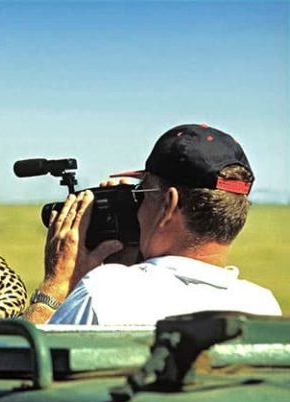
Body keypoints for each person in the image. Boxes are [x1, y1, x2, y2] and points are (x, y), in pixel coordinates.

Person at [23, 123, 282, 325]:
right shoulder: (262, 305)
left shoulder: (102, 293)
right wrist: (127, 259)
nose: (135, 206)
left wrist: (54, 288)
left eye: (141, 193)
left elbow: (13, 365)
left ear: (169, 205)